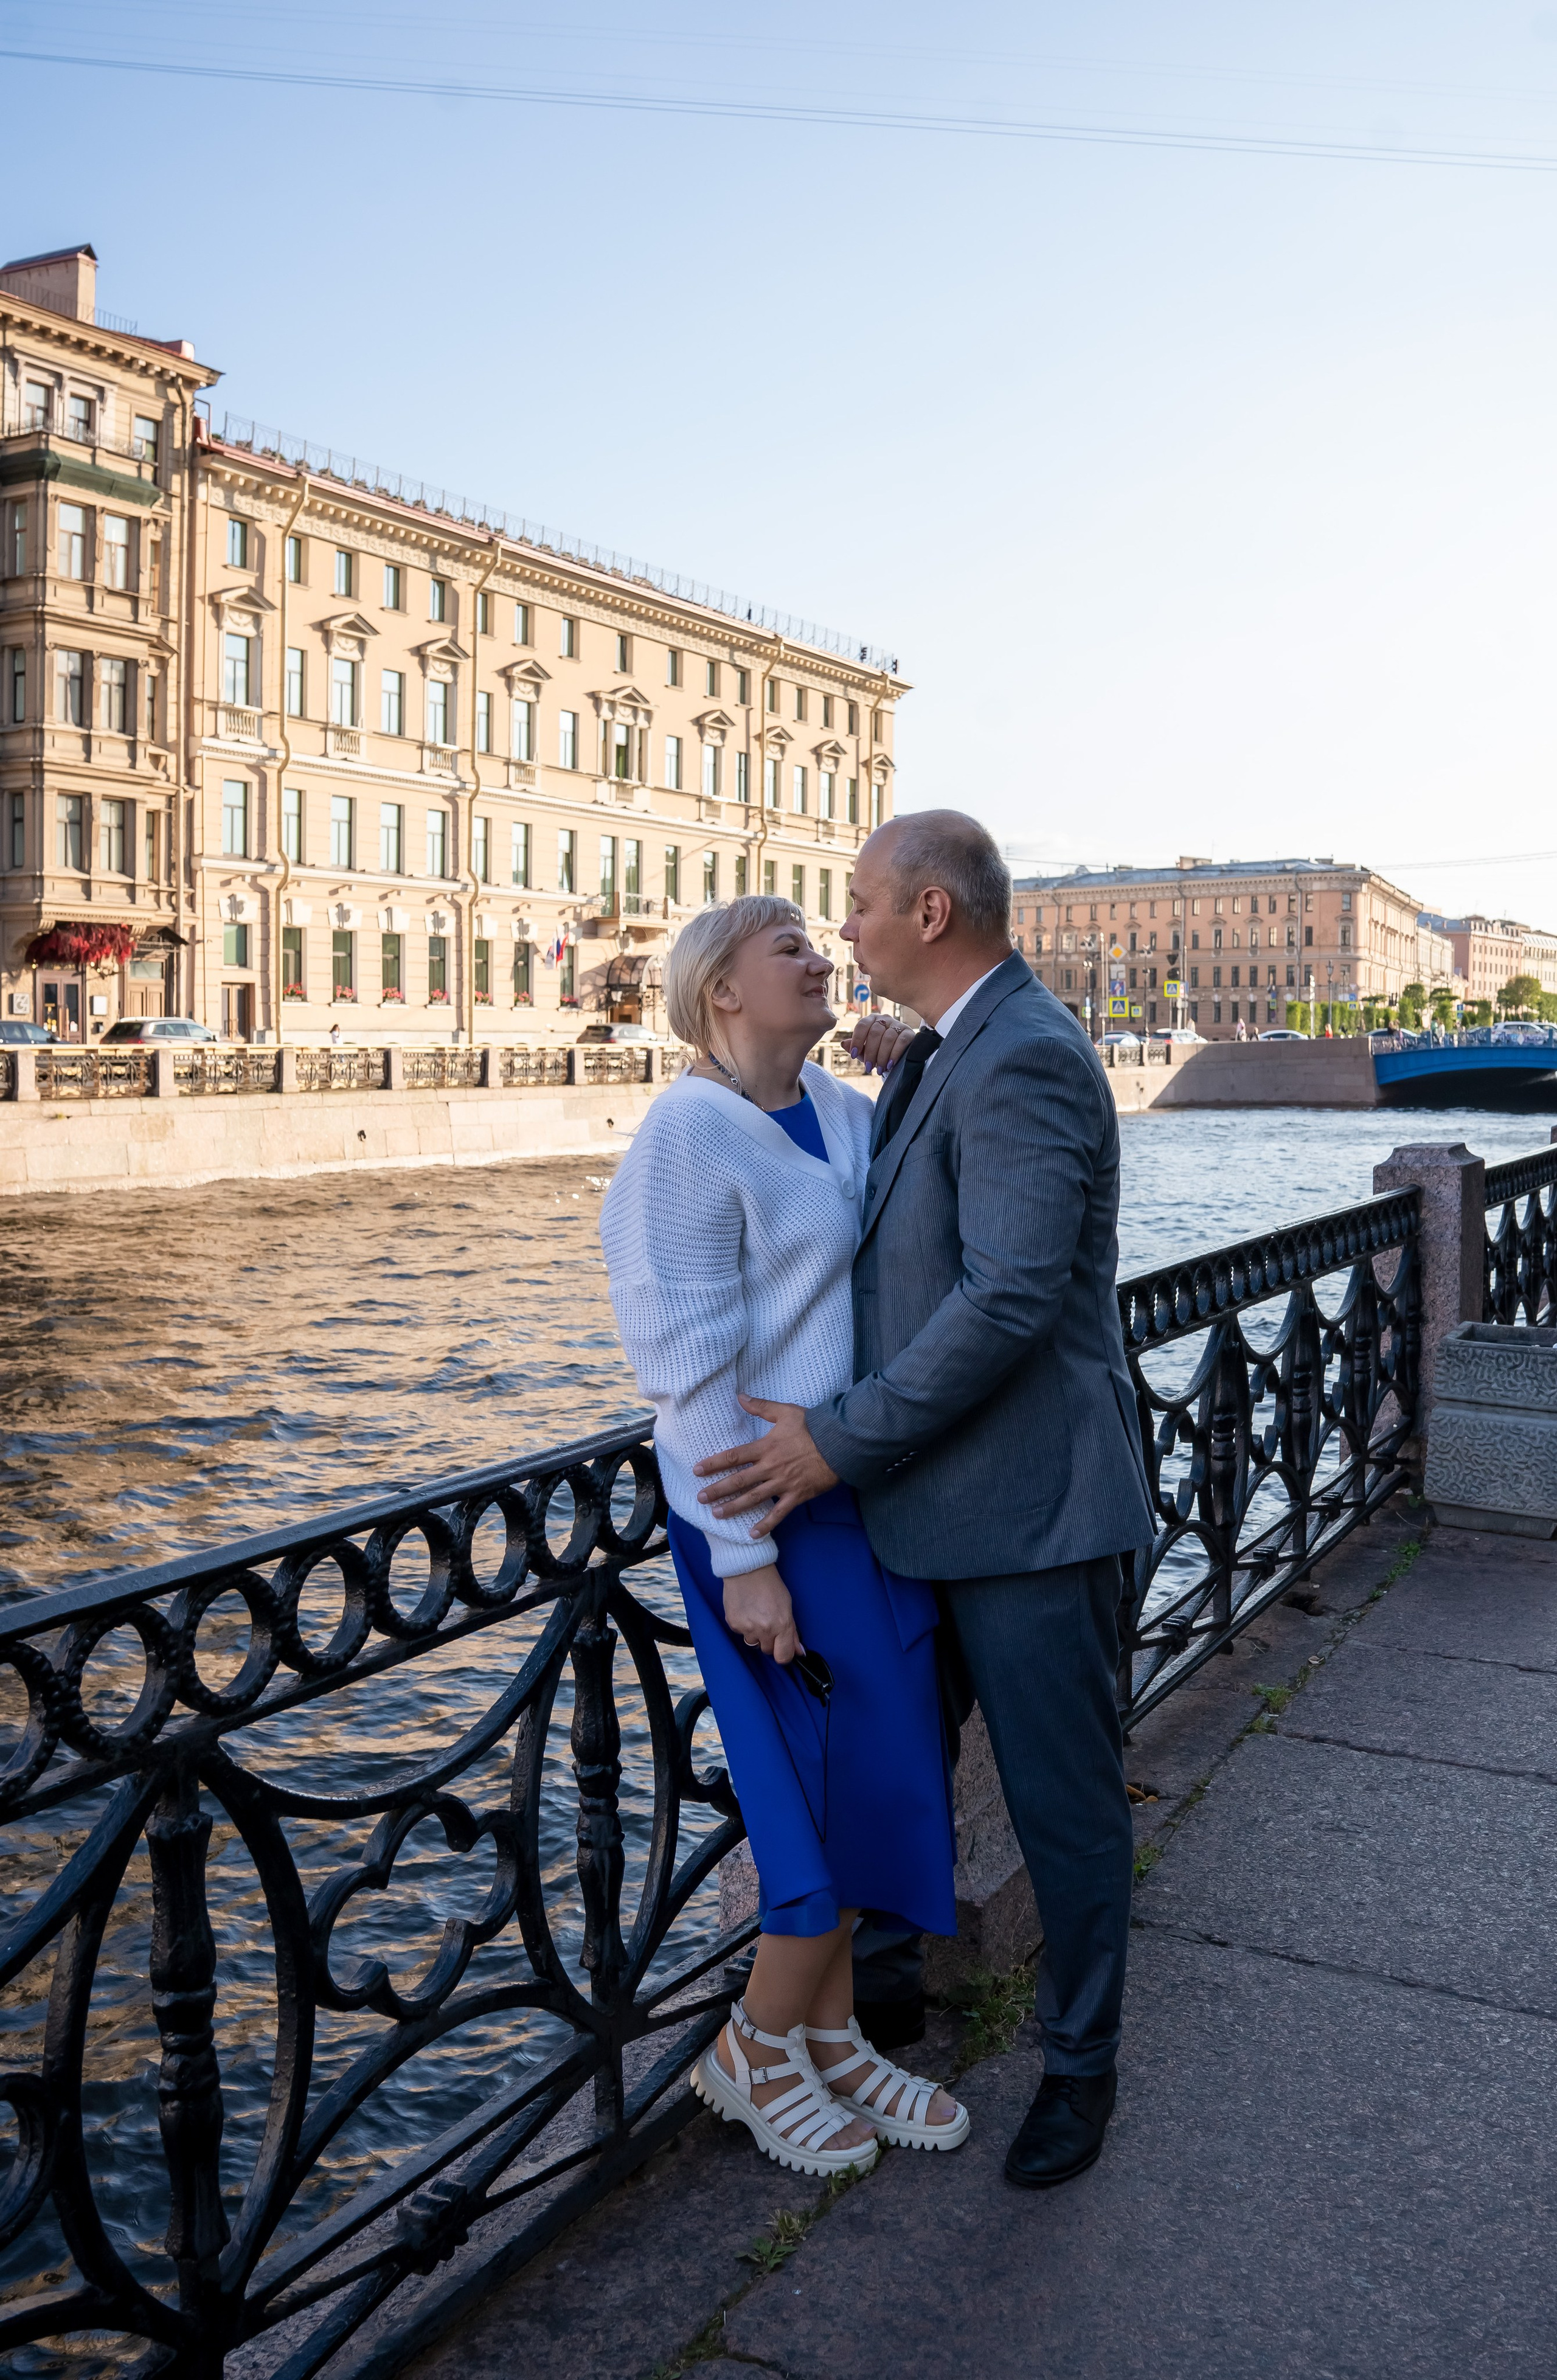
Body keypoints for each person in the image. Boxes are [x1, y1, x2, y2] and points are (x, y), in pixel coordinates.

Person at [693, 811, 1155, 2190]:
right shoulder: (943, 1055)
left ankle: (1078, 2070)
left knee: (1063, 1805)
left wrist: (834, 1443)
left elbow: (1010, 1295)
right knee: (886, 1767)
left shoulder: (1018, 1055)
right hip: (927, 1512)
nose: (845, 929)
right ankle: (864, 2007)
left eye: (856, 903)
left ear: (932, 913)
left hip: (1028, 1516)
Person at [598, 894, 969, 2178]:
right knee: (812, 1785)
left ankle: (827, 2036)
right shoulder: (686, 1134)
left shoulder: (835, 1109)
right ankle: (752, 2049)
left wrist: (913, 1051)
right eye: (792, 950)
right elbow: (683, 1366)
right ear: (721, 992)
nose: (822, 960)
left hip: (848, 1489)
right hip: (756, 1511)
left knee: (877, 1763)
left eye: (821, 941)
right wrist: (743, 1557)